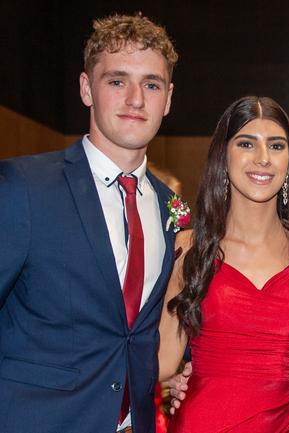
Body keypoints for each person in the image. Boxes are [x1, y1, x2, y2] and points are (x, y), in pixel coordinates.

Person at [0, 13, 177, 433]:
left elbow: (140, 330)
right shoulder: (23, 188)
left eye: (151, 85)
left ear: (168, 99)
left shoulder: (172, 207)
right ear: (86, 88)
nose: (136, 99)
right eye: (117, 81)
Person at [157, 96, 289, 433]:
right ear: (224, 156)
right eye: (247, 143)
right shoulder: (190, 247)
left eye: (277, 146)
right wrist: (171, 382)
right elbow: (162, 361)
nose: (263, 159)